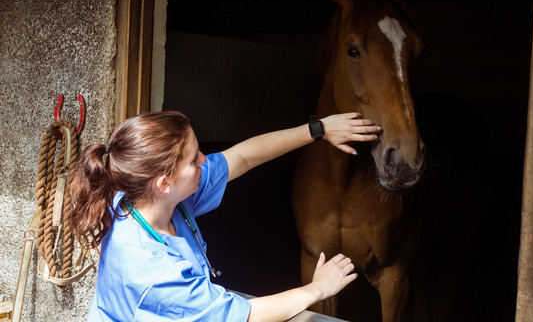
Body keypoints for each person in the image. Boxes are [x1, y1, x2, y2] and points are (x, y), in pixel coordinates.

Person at [71, 110, 381, 322]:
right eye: (194, 159)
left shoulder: (143, 198)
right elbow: (244, 315)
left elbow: (243, 157)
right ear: (164, 184)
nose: (205, 160)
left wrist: (319, 129)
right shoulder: (154, 272)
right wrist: (318, 289)